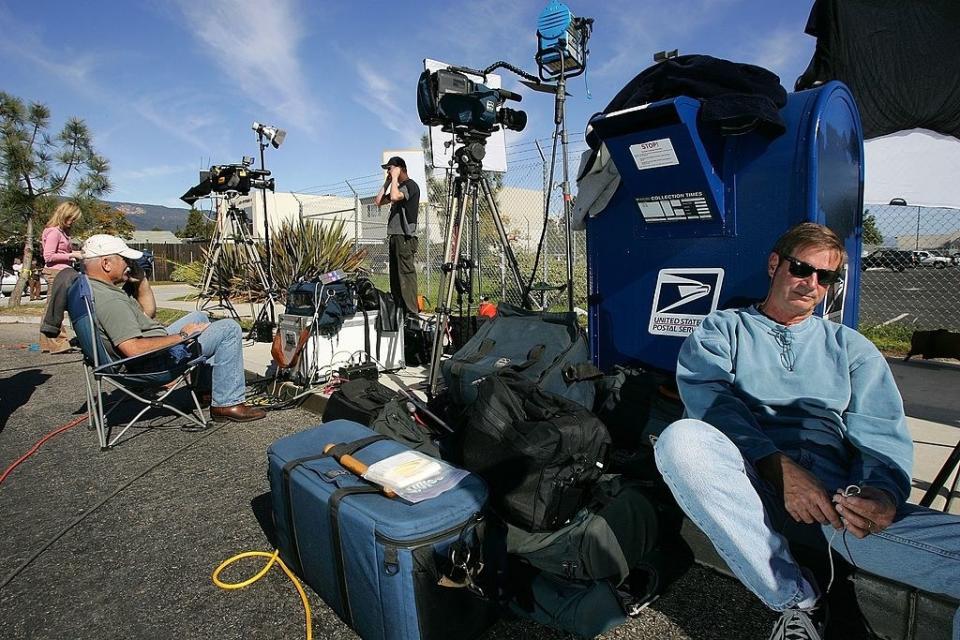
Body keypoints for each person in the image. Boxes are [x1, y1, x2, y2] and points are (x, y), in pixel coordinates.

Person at [653, 223, 960, 640]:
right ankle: (798, 602)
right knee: (682, 440)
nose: (811, 283)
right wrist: (778, 467)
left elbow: (880, 432)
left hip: (836, 502)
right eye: (801, 268)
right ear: (775, 264)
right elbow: (710, 402)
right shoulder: (722, 330)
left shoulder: (851, 347)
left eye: (825, 276)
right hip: (750, 481)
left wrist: (882, 493)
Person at [82, 234, 266, 423]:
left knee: (199, 316)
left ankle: (205, 391)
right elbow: (133, 349)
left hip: (144, 354)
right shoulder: (111, 301)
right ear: (106, 263)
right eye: (124, 259)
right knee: (229, 329)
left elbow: (148, 313)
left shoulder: (96, 289)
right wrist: (182, 336)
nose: (128, 264)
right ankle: (227, 404)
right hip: (151, 364)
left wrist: (142, 280)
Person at [374, 156, 420, 315]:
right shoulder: (395, 186)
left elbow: (394, 197)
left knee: (406, 276)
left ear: (400, 168)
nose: (388, 171)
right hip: (394, 236)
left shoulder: (410, 186)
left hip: (405, 237)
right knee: (395, 276)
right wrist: (387, 182)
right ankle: (399, 310)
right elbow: (378, 201)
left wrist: (394, 178)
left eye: (391, 168)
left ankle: (411, 312)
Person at [39, 202, 84, 352]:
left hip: (63, 272)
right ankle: (57, 343)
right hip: (56, 273)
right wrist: (71, 255)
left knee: (52, 308)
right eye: (71, 218)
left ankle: (49, 344)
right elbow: (48, 256)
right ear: (64, 215)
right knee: (54, 309)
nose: (72, 222)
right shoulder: (54, 232)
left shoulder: (62, 233)